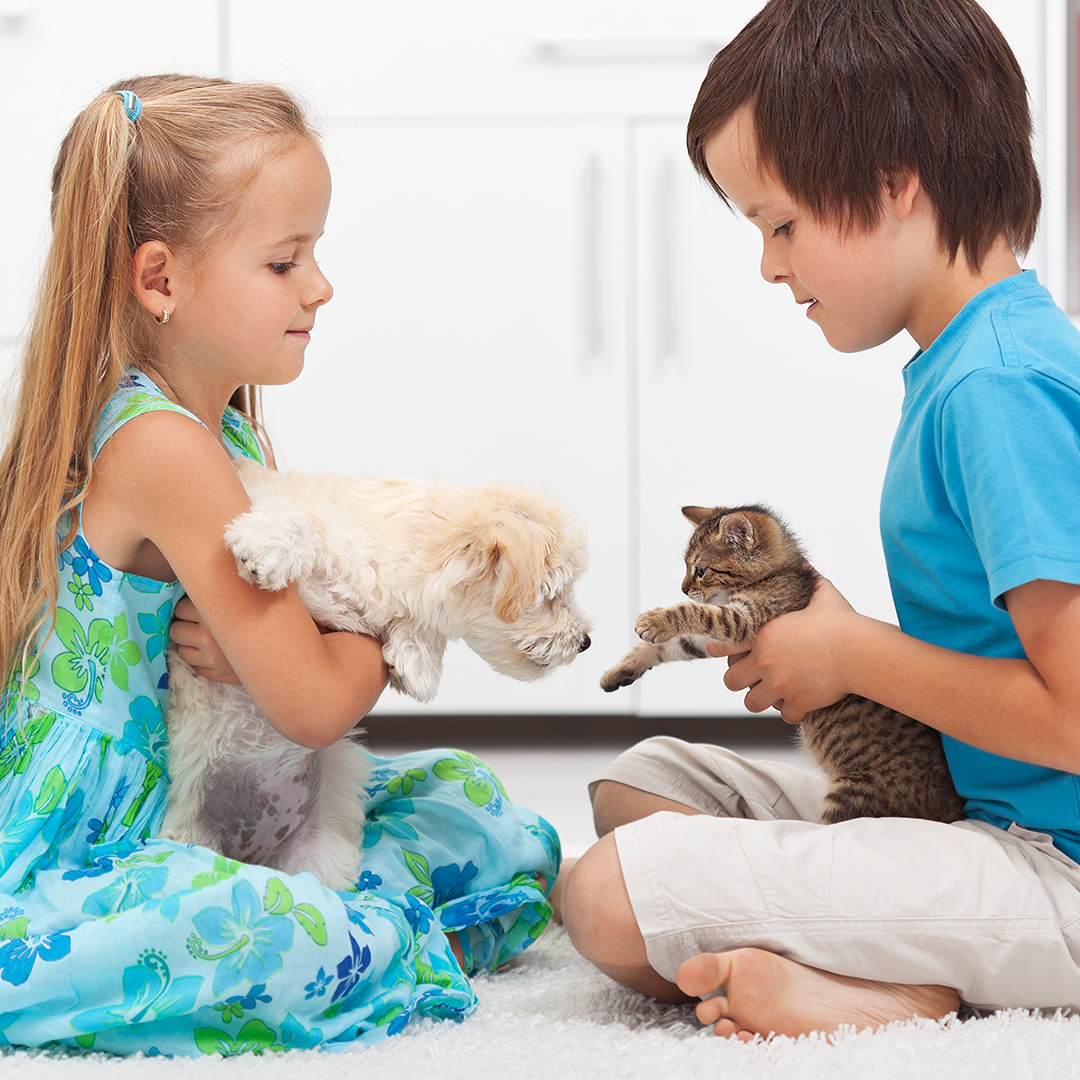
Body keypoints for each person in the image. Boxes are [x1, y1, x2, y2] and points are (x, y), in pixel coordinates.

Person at [0, 74, 558, 1055]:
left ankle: (324, 920)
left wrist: (318, 639)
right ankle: (341, 940)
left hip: (229, 793)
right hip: (107, 838)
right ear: (161, 279)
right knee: (299, 935)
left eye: (316, 255)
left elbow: (293, 671)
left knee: (479, 812)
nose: (320, 286)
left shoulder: (217, 436)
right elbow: (309, 702)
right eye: (285, 261)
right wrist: (389, 639)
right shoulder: (166, 449)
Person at [557, 0, 1080, 1042]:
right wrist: (835, 640)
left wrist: (853, 652)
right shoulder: (965, 364)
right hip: (972, 814)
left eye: (782, 224)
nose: (769, 266)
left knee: (606, 899)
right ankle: (881, 950)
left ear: (894, 182)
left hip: (1052, 863)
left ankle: (903, 995)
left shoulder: (998, 388)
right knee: (640, 783)